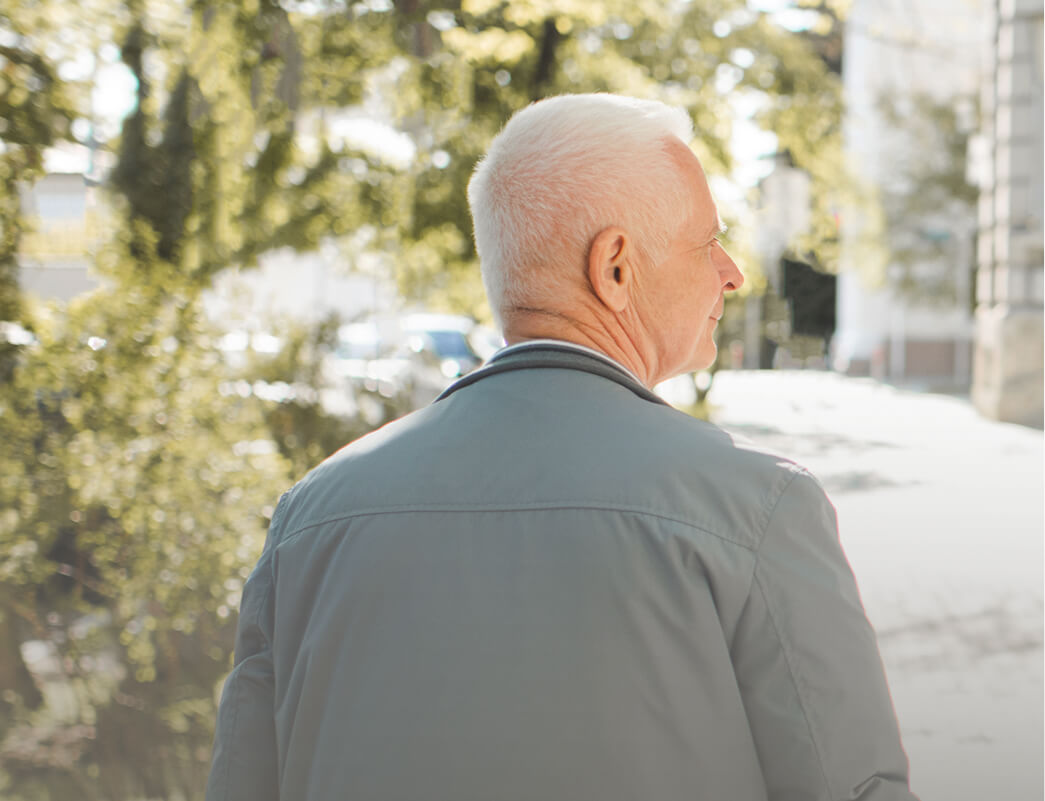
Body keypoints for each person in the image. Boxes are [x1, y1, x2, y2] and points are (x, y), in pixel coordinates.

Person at [206, 93, 918, 801]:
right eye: (708, 241)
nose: (730, 271)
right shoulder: (754, 511)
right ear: (613, 267)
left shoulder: (310, 519)